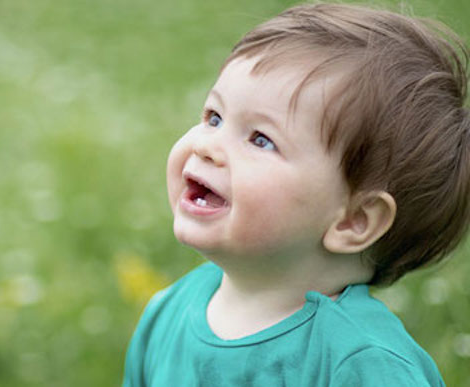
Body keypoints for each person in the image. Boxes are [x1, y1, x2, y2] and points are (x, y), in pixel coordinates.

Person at [122, 3, 470, 386]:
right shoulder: (169, 311)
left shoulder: (363, 365)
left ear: (354, 220)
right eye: (214, 117)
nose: (208, 146)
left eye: (261, 139)